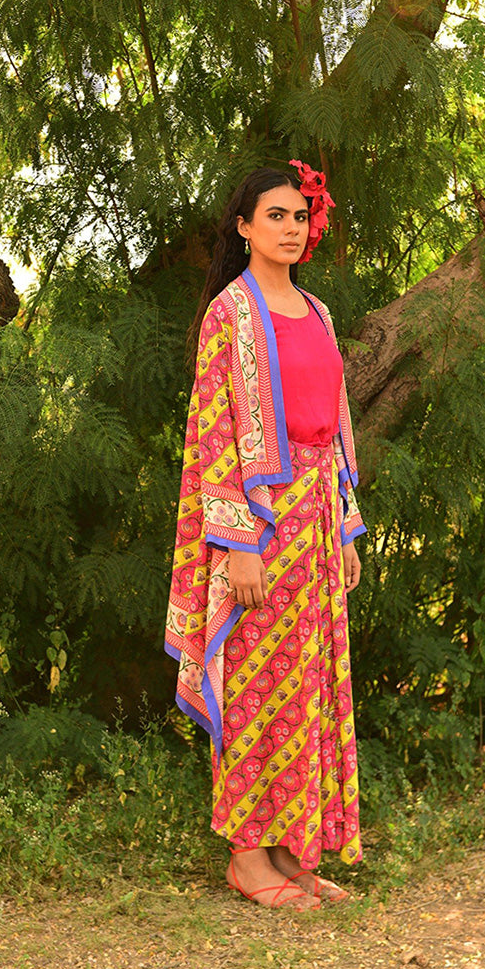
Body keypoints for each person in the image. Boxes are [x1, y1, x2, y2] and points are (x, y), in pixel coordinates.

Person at [164, 161, 366, 912]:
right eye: (275, 215)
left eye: (299, 216)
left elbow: (334, 429)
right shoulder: (230, 314)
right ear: (244, 227)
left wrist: (345, 528)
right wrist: (238, 545)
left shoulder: (319, 312)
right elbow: (214, 433)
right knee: (254, 684)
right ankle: (248, 859)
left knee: (306, 685)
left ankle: (289, 848)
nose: (290, 228)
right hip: (259, 523)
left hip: (316, 521)